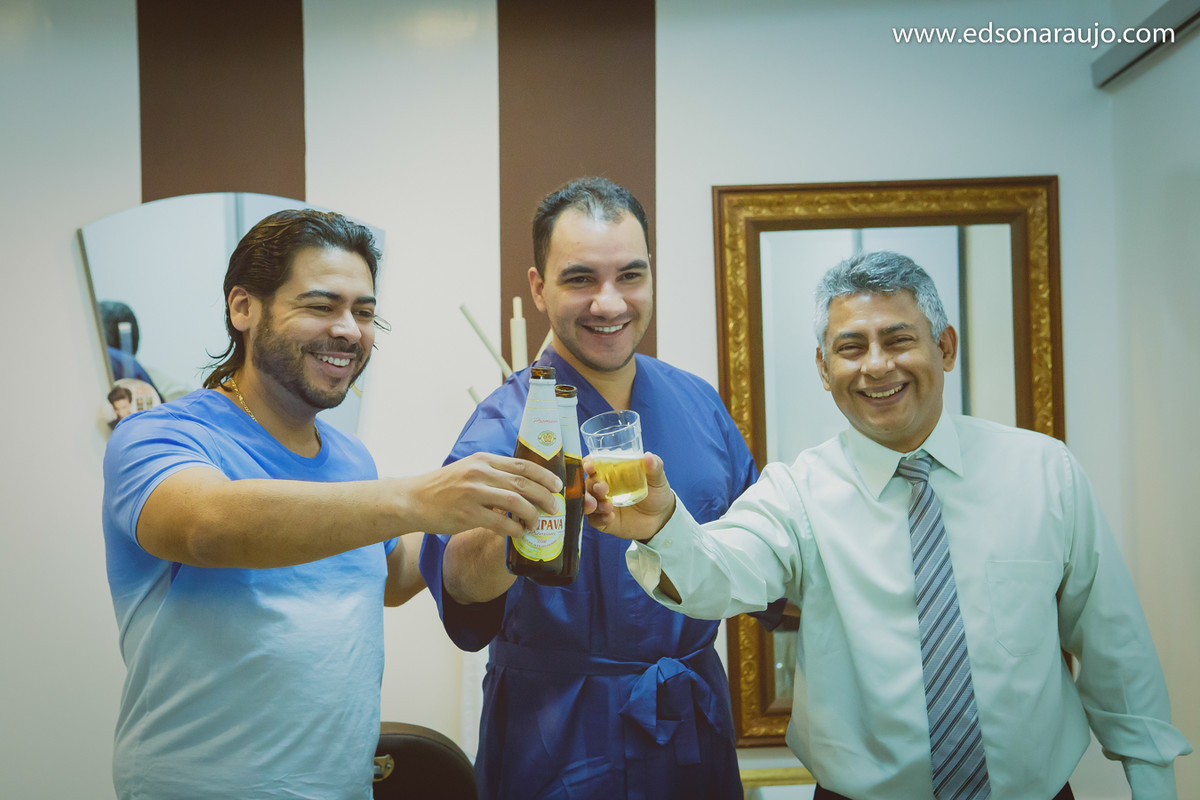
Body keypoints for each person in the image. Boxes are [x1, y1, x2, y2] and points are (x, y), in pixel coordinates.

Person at [589, 251, 1192, 800]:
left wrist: (1153, 785)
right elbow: (721, 575)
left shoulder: (1044, 472)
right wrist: (663, 526)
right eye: (851, 348)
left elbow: (1113, 643)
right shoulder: (798, 492)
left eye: (898, 339)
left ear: (946, 347)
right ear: (824, 370)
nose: (876, 366)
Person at [101, 209, 563, 800]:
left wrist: (515, 505)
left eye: (364, 312)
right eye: (321, 305)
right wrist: (420, 497)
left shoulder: (352, 458)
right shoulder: (159, 436)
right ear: (243, 308)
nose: (349, 330)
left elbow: (392, 574)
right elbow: (206, 526)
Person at [419, 177, 766, 799]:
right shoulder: (502, 425)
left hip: (691, 725)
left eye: (630, 276)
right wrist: (522, 517)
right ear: (538, 287)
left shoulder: (698, 405)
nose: (610, 303)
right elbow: (459, 589)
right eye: (581, 279)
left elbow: (766, 548)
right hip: (558, 737)